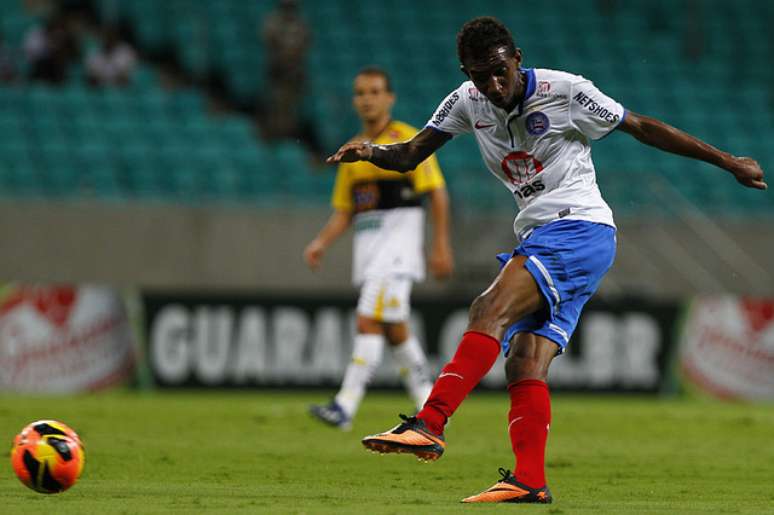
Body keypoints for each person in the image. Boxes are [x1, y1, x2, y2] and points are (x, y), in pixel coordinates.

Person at [326, 17, 766, 503]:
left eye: (499, 71)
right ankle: (529, 479)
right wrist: (370, 151)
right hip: (547, 234)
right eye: (479, 76)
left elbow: (641, 127)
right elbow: (410, 155)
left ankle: (430, 423)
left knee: (487, 311)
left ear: (516, 57)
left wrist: (728, 161)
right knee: (525, 360)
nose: (493, 86)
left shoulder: (566, 91)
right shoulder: (466, 101)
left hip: (578, 227)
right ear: (466, 73)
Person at [305, 67, 454, 431]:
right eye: (360, 93)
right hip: (369, 253)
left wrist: (440, 245)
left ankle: (345, 406)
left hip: (397, 252)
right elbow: (346, 210)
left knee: (367, 319)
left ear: (390, 98)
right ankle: (430, 404)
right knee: (395, 329)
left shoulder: (406, 140)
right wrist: (321, 243)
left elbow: (436, 192)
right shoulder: (354, 151)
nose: (367, 99)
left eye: (374, 91)